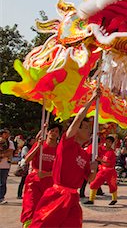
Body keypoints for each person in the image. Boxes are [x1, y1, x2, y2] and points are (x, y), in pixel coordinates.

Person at [29, 91, 100, 227]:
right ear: (76, 130)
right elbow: (78, 118)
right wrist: (92, 99)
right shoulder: (67, 144)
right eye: (85, 128)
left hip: (73, 198)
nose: (88, 131)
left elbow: (90, 179)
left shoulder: (85, 155)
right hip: (57, 195)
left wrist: (94, 170)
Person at [20, 124, 60, 228]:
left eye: (57, 131)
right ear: (47, 132)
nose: (54, 133)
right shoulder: (40, 145)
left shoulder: (59, 149)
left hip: (50, 182)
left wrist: (47, 174)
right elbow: (27, 159)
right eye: (52, 130)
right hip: (34, 181)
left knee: (46, 209)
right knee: (31, 206)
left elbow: (60, 168)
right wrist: (37, 146)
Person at [84, 136, 118, 205]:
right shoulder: (102, 149)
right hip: (101, 171)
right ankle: (91, 199)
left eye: (109, 142)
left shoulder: (111, 153)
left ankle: (114, 199)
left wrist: (100, 160)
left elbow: (109, 163)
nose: (107, 143)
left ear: (111, 143)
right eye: (106, 141)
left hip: (110, 172)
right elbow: (95, 147)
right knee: (94, 184)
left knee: (112, 186)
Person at [0, 129, 15, 204]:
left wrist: (2, 155)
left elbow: (10, 152)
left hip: (5, 166)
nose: (7, 135)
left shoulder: (10, 143)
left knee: (3, 182)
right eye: (6, 133)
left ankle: (1, 197)